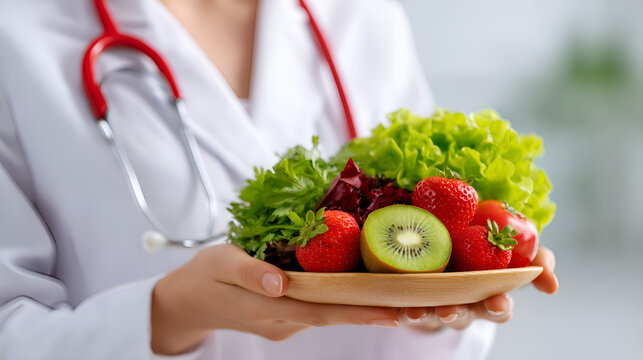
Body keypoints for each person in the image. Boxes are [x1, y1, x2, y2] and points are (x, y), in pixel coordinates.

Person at [0, 0, 558, 359]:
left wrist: (438, 307)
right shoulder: (17, 35)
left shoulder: (362, 18)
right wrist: (168, 314)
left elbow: (419, 237)